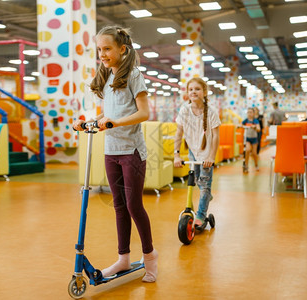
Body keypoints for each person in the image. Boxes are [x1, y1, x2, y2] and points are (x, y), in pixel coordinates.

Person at [72, 25, 157, 283]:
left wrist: (114, 123)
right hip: (111, 151)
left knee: (134, 205)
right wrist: (90, 121)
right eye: (99, 49)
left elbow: (144, 113)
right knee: (119, 206)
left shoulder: (133, 75)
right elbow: (110, 111)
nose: (103, 54)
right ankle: (123, 258)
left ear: (122, 49)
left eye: (107, 48)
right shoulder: (107, 76)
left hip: (131, 151)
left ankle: (150, 257)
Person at [173, 78, 220, 228]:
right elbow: (179, 133)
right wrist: (176, 154)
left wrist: (211, 157)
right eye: (191, 89)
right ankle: (206, 196)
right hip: (193, 151)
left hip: (206, 153)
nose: (193, 91)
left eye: (197, 89)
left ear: (205, 92)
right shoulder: (184, 110)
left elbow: (216, 136)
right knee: (198, 181)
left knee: (205, 184)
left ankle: (201, 214)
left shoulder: (211, 112)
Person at [241, 108, 261, 173]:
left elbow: (258, 129)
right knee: (247, 150)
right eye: (248, 112)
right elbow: (241, 124)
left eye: (251, 112)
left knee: (254, 153)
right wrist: (240, 126)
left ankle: (256, 165)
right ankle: (246, 166)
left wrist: (255, 127)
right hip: (247, 139)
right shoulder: (246, 120)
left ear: (253, 113)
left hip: (254, 139)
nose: (249, 114)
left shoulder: (255, 121)